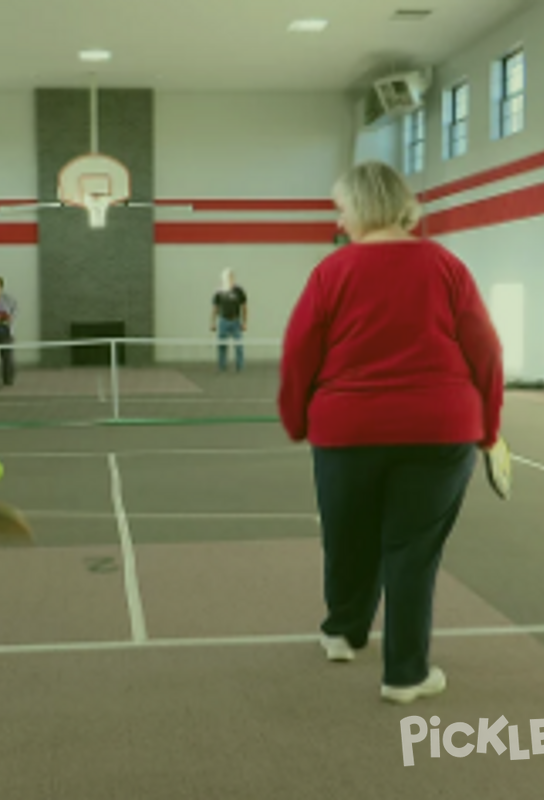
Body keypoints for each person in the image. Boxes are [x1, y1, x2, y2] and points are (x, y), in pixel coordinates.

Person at [278, 160, 503, 705]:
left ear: (367, 206)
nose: (339, 219)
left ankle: (342, 631)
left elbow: (298, 351)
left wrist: (296, 419)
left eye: (343, 207)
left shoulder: (331, 272)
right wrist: (489, 428)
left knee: (346, 534)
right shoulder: (447, 266)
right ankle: (406, 674)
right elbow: (486, 351)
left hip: (347, 429)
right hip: (440, 430)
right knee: (411, 550)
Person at [211, 268, 247, 372]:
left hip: (236, 321)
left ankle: (240, 367)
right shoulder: (219, 292)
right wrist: (213, 323)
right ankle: (222, 366)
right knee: (222, 345)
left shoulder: (239, 291)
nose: (229, 279)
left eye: (231, 277)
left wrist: (244, 323)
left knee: (239, 345)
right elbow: (215, 308)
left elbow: (244, 307)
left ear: (233, 278)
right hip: (223, 321)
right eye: (227, 278)